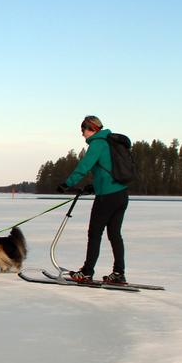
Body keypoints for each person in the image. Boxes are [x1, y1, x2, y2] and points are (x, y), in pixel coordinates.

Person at [57, 116, 129, 285]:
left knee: (95, 233)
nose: (82, 134)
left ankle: (87, 272)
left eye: (83, 130)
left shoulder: (98, 143)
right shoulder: (110, 143)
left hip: (107, 197)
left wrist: (67, 184)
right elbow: (108, 170)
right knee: (115, 234)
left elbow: (84, 166)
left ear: (91, 129)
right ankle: (119, 273)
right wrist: (94, 187)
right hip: (121, 194)